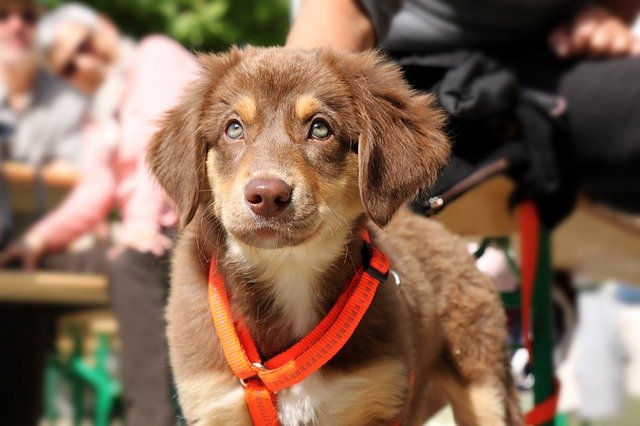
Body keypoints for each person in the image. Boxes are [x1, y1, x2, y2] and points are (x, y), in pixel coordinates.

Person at [0, 3, 200, 425]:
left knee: (131, 265)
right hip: (142, 234)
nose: (85, 63)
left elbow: (160, 141)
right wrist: (37, 241)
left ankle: (150, 419)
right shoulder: (100, 113)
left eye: (85, 46)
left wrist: (139, 223)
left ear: (105, 30)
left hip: (192, 227)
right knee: (22, 277)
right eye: (70, 67)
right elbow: (96, 189)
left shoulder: (154, 55)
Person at [287, 0, 640, 217]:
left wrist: (607, 13)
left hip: (551, 62)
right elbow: (341, 10)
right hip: (419, 77)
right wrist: (291, 145)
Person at [0, 1, 86, 424]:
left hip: (42, 248)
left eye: (27, 16)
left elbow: (83, 178)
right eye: (3, 14)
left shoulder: (67, 99)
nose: (16, 25)